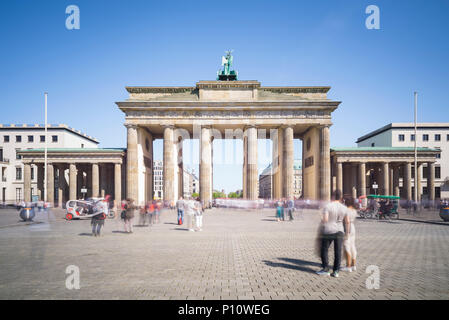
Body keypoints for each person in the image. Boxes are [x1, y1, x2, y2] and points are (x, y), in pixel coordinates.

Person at [316, 190, 350, 278]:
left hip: (329, 230)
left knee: (324, 249)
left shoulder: (328, 206)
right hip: (340, 231)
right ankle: (336, 271)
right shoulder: (344, 207)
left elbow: (325, 220)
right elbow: (347, 221)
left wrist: (321, 220)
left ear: (333, 197)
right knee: (338, 251)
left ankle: (325, 269)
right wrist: (347, 232)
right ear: (340, 197)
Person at [340, 197, 357, 272]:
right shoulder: (354, 209)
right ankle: (353, 265)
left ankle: (348, 266)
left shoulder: (346, 210)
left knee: (346, 246)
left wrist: (346, 232)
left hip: (347, 227)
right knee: (352, 246)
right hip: (353, 227)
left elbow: (346, 221)